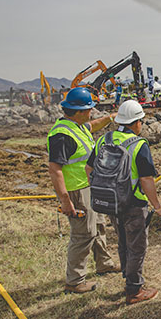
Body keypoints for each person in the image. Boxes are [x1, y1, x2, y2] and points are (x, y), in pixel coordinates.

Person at [85, 100, 161, 305]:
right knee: (137, 246)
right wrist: (158, 207)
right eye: (141, 121)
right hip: (133, 203)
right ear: (136, 123)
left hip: (111, 203)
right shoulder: (139, 145)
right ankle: (134, 290)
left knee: (123, 240)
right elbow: (146, 180)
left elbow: (89, 169)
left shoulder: (104, 139)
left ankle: (128, 276)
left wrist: (103, 189)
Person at [47, 87, 120, 294]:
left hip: (88, 186)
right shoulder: (62, 135)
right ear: (79, 111)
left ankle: (104, 263)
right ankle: (75, 280)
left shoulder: (76, 126)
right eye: (89, 109)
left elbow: (92, 125)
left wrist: (110, 118)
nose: (91, 112)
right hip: (75, 191)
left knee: (97, 225)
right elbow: (55, 170)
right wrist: (65, 201)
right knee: (83, 234)